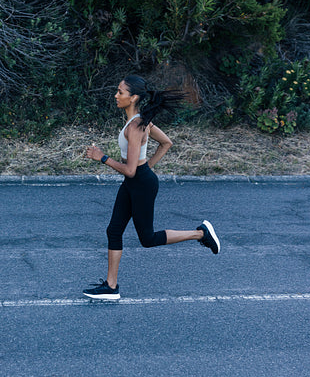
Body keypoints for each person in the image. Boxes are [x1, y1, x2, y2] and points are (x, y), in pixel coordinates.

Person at [83, 75, 220, 300]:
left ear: (133, 97)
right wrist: (146, 168)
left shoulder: (137, 126)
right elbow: (166, 143)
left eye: (120, 92)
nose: (116, 96)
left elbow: (130, 170)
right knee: (114, 230)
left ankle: (201, 233)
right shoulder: (139, 121)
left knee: (147, 239)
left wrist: (102, 157)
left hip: (139, 183)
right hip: (138, 181)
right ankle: (111, 286)